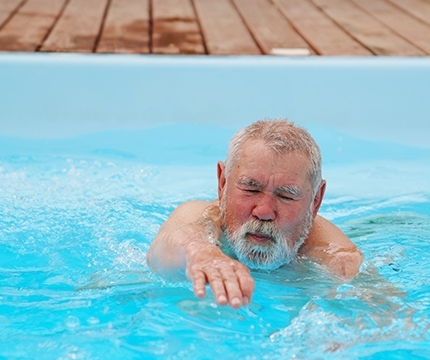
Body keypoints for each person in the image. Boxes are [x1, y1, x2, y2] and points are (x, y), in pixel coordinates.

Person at [147, 119, 363, 309]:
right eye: (251, 189)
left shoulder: (335, 258)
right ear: (222, 183)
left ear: (316, 200)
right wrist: (201, 254)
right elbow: (164, 247)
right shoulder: (204, 218)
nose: (264, 211)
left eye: (286, 196)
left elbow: (376, 310)